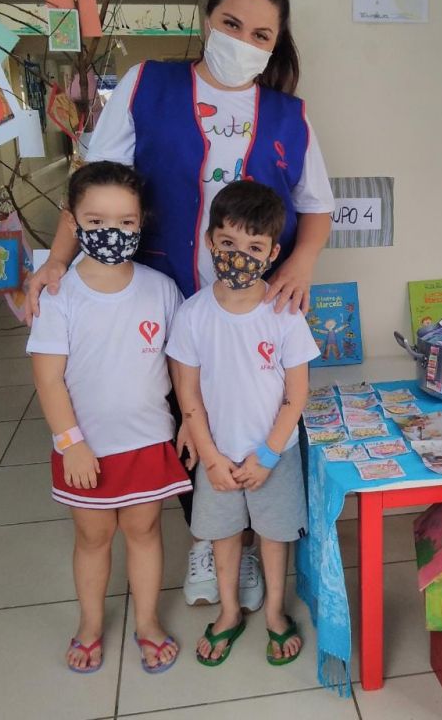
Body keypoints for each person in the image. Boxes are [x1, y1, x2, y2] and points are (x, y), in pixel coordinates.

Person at [25, 0, 334, 610]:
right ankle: (208, 539)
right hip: (165, 294)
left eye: (260, 34)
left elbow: (316, 206)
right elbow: (94, 184)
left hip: (252, 307)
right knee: (183, 415)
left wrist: (302, 262)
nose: (243, 41)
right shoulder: (148, 85)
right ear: (207, 19)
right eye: (231, 24)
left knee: (249, 411)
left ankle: (248, 539)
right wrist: (57, 260)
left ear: (275, 43)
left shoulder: (289, 117)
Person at [27, 161, 191, 674]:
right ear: (72, 220)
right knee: (93, 538)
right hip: (85, 449)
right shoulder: (59, 296)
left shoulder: (160, 289)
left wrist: (190, 418)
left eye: (125, 221)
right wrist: (71, 443)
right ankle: (90, 626)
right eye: (96, 221)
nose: (111, 232)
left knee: (145, 531)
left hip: (147, 441)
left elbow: (181, 363)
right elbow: (48, 380)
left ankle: (148, 623)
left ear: (142, 223)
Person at [166, 181, 319, 666]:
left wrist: (268, 454)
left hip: (275, 455)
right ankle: (229, 611)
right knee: (223, 536)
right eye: (228, 243)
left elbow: (296, 395)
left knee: (274, 537)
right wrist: (211, 459)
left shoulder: (285, 315)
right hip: (218, 455)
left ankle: (274, 612)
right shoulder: (192, 315)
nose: (239, 255)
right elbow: (188, 395)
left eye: (254, 247)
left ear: (273, 253)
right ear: (210, 241)